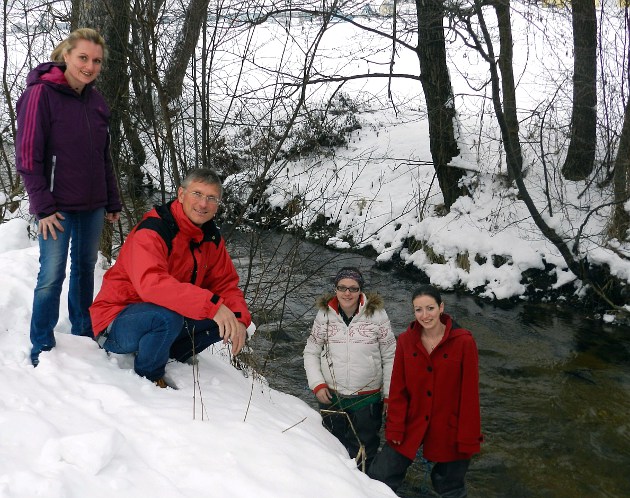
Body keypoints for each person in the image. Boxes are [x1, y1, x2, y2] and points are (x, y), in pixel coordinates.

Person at [15, 28, 122, 366]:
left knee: (85, 268)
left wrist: (112, 199)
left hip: (92, 205)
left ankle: (83, 328)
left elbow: (103, 155)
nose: (89, 67)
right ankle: (41, 344)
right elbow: (27, 157)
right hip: (56, 208)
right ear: (66, 55)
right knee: (51, 275)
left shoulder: (95, 101)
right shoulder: (40, 95)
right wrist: (43, 206)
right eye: (83, 58)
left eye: (96, 61)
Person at [89, 168, 252, 388]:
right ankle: (149, 375)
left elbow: (225, 284)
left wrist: (240, 318)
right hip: (117, 320)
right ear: (181, 194)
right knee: (169, 317)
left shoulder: (210, 238)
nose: (203, 204)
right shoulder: (154, 230)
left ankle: (171, 353)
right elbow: (152, 285)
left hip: (162, 316)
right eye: (197, 194)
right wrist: (210, 305)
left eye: (211, 198)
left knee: (227, 318)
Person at [368, 284, 483, 498]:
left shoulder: (464, 342)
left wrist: (468, 437)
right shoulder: (405, 341)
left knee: (451, 487)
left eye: (429, 308)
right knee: (380, 475)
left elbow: (469, 396)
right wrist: (394, 428)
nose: (425, 315)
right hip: (412, 420)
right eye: (418, 309)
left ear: (441, 307)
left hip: (449, 423)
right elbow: (398, 390)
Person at [303, 267, 396, 470]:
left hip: (367, 400)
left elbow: (391, 357)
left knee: (364, 450)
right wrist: (317, 384)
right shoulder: (324, 314)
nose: (347, 293)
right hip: (332, 398)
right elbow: (311, 351)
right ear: (335, 289)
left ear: (360, 290)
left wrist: (389, 395)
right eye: (342, 288)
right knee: (333, 449)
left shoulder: (377, 315)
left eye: (353, 289)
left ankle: (364, 487)